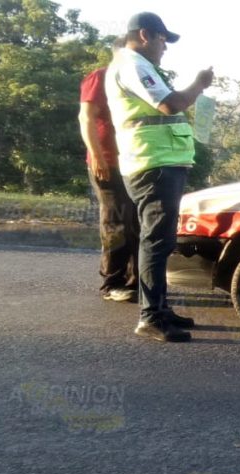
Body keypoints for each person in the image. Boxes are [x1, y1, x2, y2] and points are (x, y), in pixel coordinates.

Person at [105, 12, 213, 342]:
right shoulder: (133, 65)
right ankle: (151, 316)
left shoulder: (136, 65)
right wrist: (199, 84)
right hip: (153, 164)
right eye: (163, 39)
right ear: (145, 35)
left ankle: (159, 309)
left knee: (159, 241)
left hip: (158, 163)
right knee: (155, 241)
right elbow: (170, 105)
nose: (165, 47)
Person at [78, 37, 139, 303]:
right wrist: (98, 156)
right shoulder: (100, 77)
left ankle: (135, 282)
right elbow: (86, 117)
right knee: (116, 221)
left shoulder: (134, 79)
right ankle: (111, 283)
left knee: (135, 222)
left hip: (133, 162)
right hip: (107, 162)